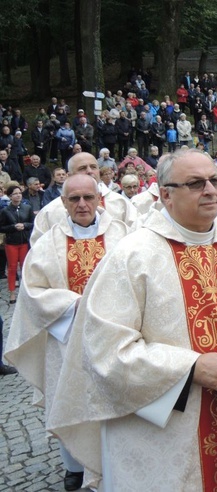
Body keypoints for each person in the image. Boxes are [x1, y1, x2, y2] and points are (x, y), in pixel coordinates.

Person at [46, 149, 217, 490]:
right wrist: (189, 368)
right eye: (195, 183)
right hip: (163, 434)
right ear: (165, 194)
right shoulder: (133, 257)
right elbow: (105, 350)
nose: (210, 190)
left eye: (214, 180)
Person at [5, 174, 130, 491]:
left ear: (99, 199)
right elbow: (33, 292)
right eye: (74, 199)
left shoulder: (123, 236)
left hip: (114, 337)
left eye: (88, 197)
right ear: (63, 203)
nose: (82, 204)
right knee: (71, 399)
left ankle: (116, 459)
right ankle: (75, 465)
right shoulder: (48, 244)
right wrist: (76, 305)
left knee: (115, 399)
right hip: (67, 340)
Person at [31, 152, 138, 245]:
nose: (89, 171)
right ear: (69, 175)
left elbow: (136, 237)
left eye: (93, 167)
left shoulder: (120, 204)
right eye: (82, 168)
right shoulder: (51, 211)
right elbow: (40, 250)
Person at [0, 184, 34, 304]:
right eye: (15, 193)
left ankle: (27, 292)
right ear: (10, 196)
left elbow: (32, 223)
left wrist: (24, 226)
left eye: (19, 193)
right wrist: (13, 227)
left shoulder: (27, 208)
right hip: (11, 243)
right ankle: (12, 293)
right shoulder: (5, 211)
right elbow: (1, 227)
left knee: (25, 267)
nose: (18, 195)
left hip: (24, 241)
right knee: (12, 268)